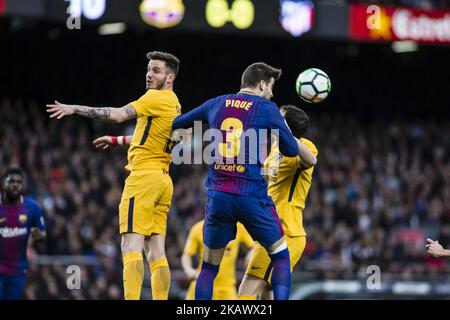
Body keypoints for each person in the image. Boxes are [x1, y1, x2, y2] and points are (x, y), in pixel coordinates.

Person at [172, 62, 317, 300]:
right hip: (251, 197)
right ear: (262, 84)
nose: (271, 93)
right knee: (280, 258)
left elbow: (179, 122)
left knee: (208, 269)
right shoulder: (267, 108)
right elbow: (291, 150)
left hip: (219, 196)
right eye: (271, 87)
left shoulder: (216, 102)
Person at [46, 51, 182, 300]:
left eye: (156, 71)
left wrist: (74, 108)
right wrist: (117, 139)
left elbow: (118, 114)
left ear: (170, 77)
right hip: (163, 180)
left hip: (143, 178)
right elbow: (149, 138)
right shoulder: (174, 103)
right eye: (149, 69)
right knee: (156, 251)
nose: (149, 74)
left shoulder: (154, 98)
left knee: (130, 246)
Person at [238, 105, 318, 299]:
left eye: (279, 118)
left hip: (285, 232)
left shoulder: (304, 146)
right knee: (267, 292)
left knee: (245, 294)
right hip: (271, 229)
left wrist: (289, 136)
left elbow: (311, 160)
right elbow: (267, 179)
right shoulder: (275, 147)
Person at [0, 167, 46, 300]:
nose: (15, 185)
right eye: (12, 181)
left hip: (18, 271)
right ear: (3, 183)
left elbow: (42, 236)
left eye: (19, 182)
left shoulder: (33, 207)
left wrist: (39, 235)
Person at [182, 220, 254, 300]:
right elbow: (187, 255)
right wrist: (189, 270)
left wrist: (251, 253)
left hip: (226, 289)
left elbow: (255, 246)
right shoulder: (198, 228)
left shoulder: (238, 227)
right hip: (202, 285)